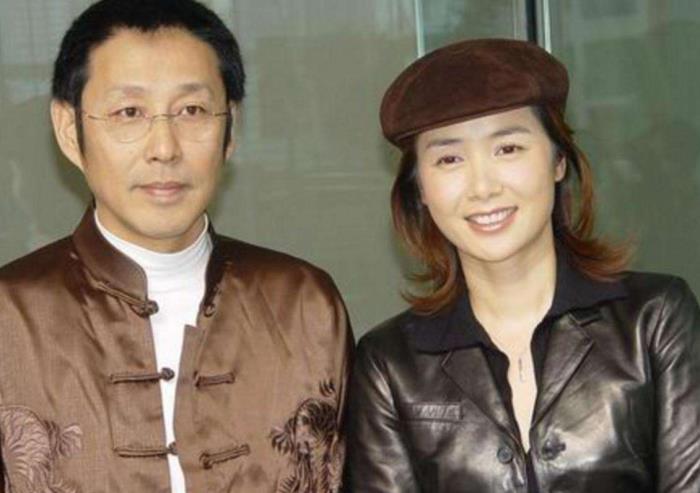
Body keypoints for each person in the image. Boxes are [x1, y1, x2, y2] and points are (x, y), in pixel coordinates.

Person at [0, 1, 352, 492]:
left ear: (230, 128)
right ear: (68, 129)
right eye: (129, 112)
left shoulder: (303, 303)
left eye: (192, 111)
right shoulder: (11, 316)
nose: (164, 148)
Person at [345, 38, 700, 492]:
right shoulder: (390, 363)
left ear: (558, 160)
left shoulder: (653, 318)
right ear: (420, 189)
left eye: (508, 148)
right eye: (449, 159)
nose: (483, 187)